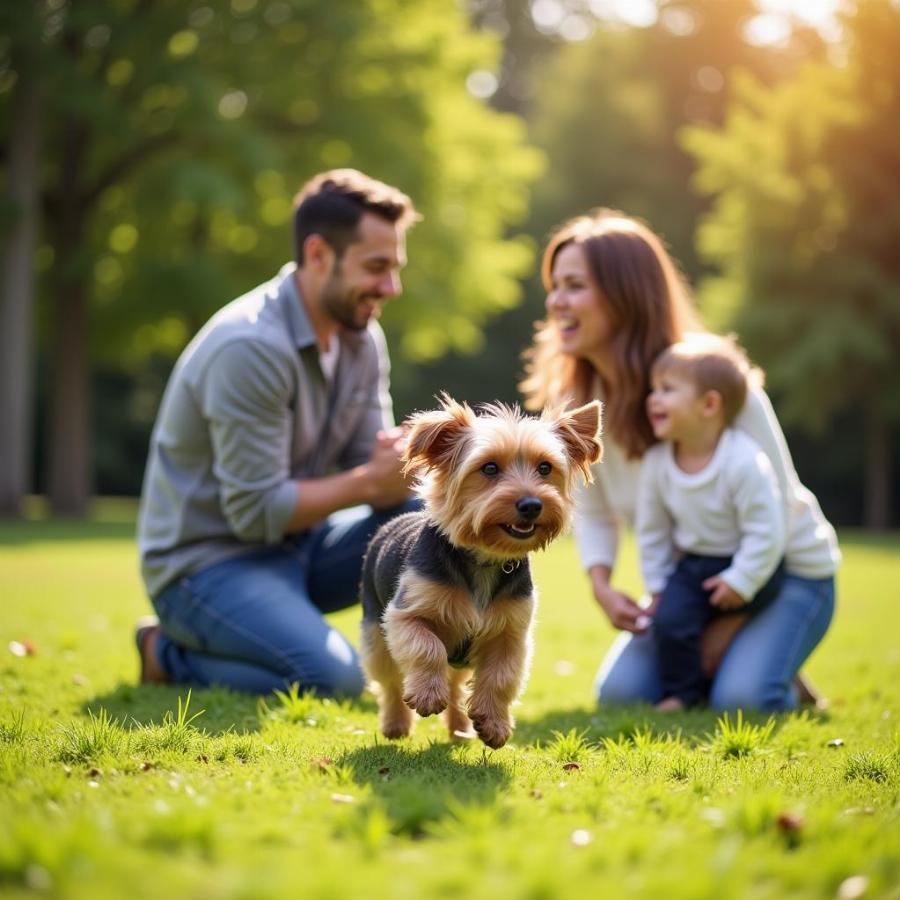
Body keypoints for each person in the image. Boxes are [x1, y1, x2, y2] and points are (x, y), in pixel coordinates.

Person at [521, 209, 840, 711]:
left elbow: (776, 507)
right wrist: (601, 586)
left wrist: (723, 629)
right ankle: (757, 659)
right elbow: (597, 511)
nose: (556, 301)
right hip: (694, 584)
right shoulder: (574, 401)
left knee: (741, 701)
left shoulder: (712, 381)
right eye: (554, 285)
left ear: (626, 295)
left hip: (786, 572)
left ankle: (764, 663)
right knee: (621, 695)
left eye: (575, 286)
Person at [135, 168, 421, 696]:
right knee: (332, 678)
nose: (391, 287)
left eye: (395, 267)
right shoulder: (250, 346)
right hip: (208, 566)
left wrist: (411, 466)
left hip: (302, 546)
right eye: (376, 267)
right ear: (318, 255)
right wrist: (369, 482)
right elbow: (254, 510)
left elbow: (374, 465)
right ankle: (167, 652)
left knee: (428, 515)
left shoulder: (361, 336)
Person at [637, 335, 786, 711]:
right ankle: (683, 695)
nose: (653, 398)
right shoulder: (658, 462)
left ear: (709, 404)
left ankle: (754, 658)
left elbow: (766, 531)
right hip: (695, 565)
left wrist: (742, 579)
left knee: (761, 591)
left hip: (750, 563)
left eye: (667, 390)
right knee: (670, 622)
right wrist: (657, 586)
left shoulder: (744, 461)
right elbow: (652, 532)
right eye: (654, 389)